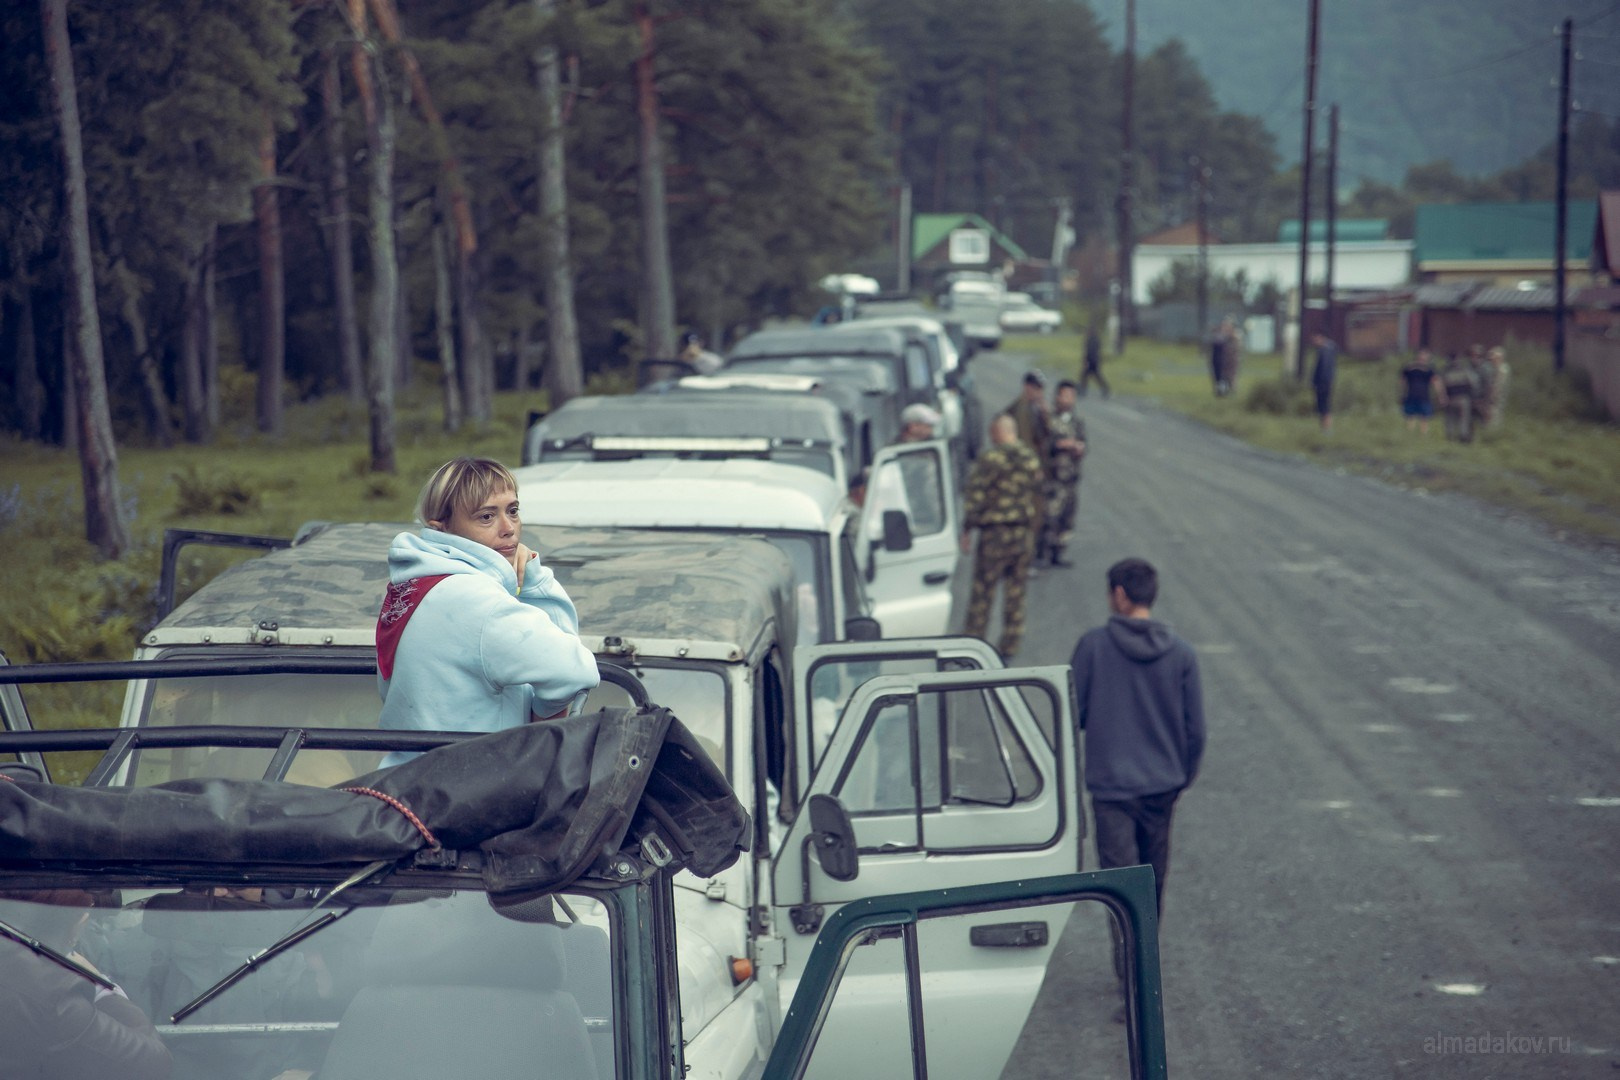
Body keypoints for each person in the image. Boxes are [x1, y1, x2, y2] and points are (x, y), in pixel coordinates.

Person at [377, 457, 599, 744]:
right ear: (442, 528)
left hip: (409, 775)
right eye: (486, 516)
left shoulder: (414, 588)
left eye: (513, 511)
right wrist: (540, 731)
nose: (509, 528)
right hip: (477, 781)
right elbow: (573, 670)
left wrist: (528, 576)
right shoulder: (477, 601)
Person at [1069, 558, 1205, 919]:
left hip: (1112, 788)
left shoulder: (1092, 646)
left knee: (1120, 885)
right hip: (1162, 785)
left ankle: (1127, 970)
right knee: (1152, 879)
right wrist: (1181, 776)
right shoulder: (1181, 653)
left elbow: (1073, 715)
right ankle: (1147, 967)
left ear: (1119, 595)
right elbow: (1196, 730)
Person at [0, 888, 174, 1079]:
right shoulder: (52, 997)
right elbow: (154, 1061)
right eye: (89, 907)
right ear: (73, 921)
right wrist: (99, 983)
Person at [961, 414, 1043, 660]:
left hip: (994, 534)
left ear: (998, 431)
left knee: (983, 591)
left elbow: (975, 496)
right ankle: (1010, 642)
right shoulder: (1030, 458)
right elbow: (1038, 493)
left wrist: (967, 529)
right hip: (1022, 533)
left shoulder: (990, 459)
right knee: (1016, 591)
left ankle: (972, 643)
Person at [1040, 380, 1087, 568]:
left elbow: (1083, 443)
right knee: (1049, 516)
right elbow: (1043, 444)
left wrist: (1079, 448)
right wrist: (1062, 445)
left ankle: (1058, 553)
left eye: (1071, 396)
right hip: (1053, 477)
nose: (1068, 400)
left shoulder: (1077, 422)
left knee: (1067, 517)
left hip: (1071, 478)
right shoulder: (1048, 419)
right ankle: (1041, 554)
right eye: (1064, 395)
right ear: (1057, 396)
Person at [1439, 352, 1479, 443]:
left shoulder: (1445, 371)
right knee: (1463, 418)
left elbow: (1442, 386)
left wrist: (1443, 397)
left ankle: (1450, 436)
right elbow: (1474, 383)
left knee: (1451, 419)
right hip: (1463, 398)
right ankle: (1463, 436)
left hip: (1452, 398)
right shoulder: (1465, 370)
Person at [1399, 349, 1440, 435]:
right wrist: (1401, 392)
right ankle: (1410, 434)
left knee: (1424, 417)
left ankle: (1422, 435)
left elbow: (1435, 382)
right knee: (1411, 416)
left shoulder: (1429, 369)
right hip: (1412, 395)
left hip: (1423, 396)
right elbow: (1402, 381)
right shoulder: (1410, 368)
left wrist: (1439, 395)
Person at [1310, 330, 1337, 431]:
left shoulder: (1325, 351)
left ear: (1320, 337)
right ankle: (1324, 428)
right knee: (1323, 406)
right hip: (1325, 382)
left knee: (1324, 406)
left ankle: (1326, 429)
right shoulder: (1328, 348)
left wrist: (1321, 383)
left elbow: (1324, 369)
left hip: (1324, 383)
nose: (1314, 342)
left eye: (1315, 339)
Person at [1079, 326, 1110, 398]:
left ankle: (1083, 390)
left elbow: (1089, 352)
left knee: (1086, 375)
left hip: (1091, 361)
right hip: (1095, 360)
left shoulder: (1090, 340)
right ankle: (1104, 388)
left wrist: (1086, 361)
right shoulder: (1096, 340)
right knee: (1090, 376)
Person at [1486, 346, 1510, 429]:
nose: (1491, 360)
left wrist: (1492, 397)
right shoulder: (1497, 368)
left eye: (1493, 358)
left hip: (1497, 398)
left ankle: (1493, 434)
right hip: (1496, 398)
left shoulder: (1502, 370)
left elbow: (1498, 386)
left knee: (1494, 416)